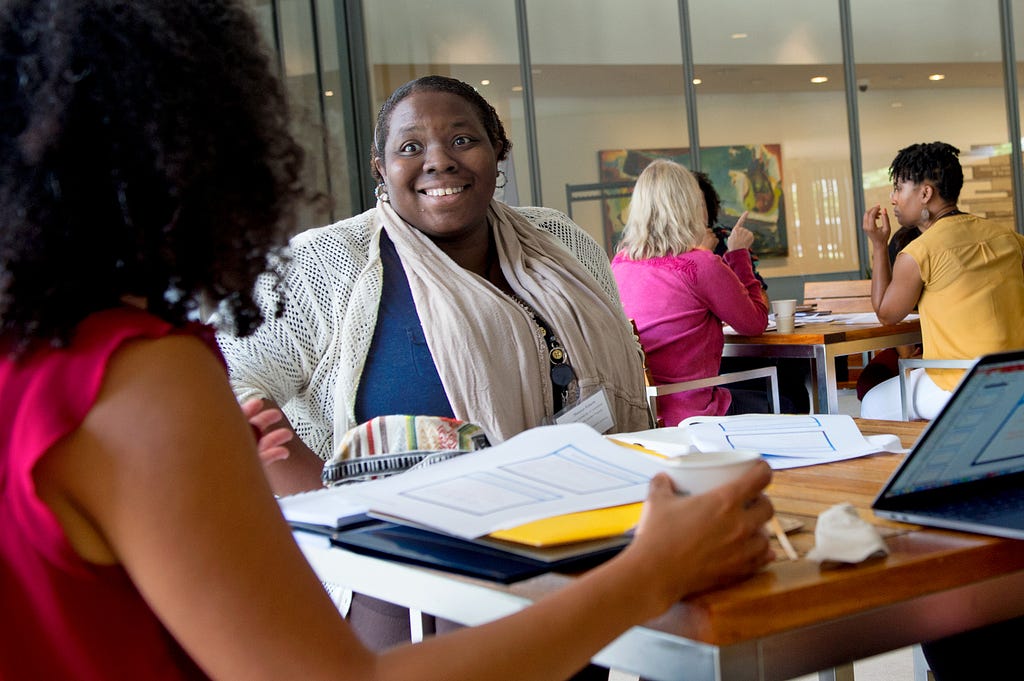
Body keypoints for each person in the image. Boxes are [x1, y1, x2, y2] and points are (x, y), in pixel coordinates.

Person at [0, 2, 779, 680]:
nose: (439, 159)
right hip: (419, 586)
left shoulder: (35, 360)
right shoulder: (141, 378)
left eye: (463, 140)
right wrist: (654, 570)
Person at [860, 141, 1024, 420]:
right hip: (1015, 377)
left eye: (899, 188)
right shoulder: (1010, 238)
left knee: (873, 403)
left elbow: (886, 314)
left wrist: (878, 245)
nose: (893, 198)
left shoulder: (919, 252)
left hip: (961, 383)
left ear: (925, 193)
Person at [611, 159, 771, 427]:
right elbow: (754, 324)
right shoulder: (699, 265)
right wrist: (738, 254)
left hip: (644, 414)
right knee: (791, 396)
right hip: (695, 413)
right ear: (689, 205)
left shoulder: (620, 265)